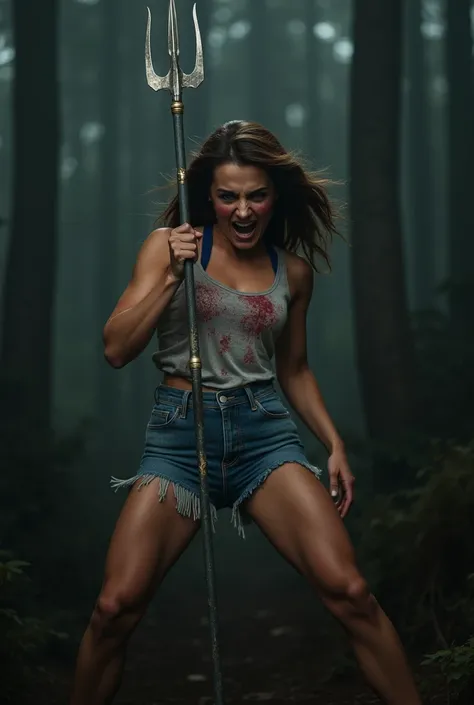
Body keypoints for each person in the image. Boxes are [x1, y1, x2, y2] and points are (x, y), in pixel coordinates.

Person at [70, 120, 421, 705]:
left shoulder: (293, 272)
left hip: (265, 438)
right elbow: (116, 348)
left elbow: (295, 370)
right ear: (207, 196)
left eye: (256, 196)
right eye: (227, 196)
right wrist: (171, 277)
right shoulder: (169, 247)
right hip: (181, 438)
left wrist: (333, 443)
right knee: (114, 608)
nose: (242, 210)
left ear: (274, 197)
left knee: (351, 593)